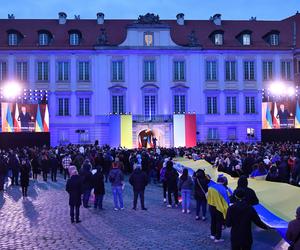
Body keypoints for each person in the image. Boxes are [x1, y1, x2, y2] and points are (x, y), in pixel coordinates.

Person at [207, 176, 231, 243]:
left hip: (211, 206)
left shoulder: (211, 187)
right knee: (219, 223)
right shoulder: (223, 189)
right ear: (223, 181)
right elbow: (226, 201)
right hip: (219, 208)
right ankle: (217, 238)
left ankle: (212, 234)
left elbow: (208, 197)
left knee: (213, 221)